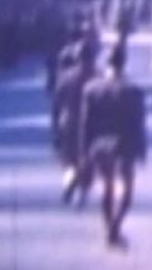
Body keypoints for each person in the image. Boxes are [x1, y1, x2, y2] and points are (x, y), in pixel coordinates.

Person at [79, 38, 147, 248]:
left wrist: (84, 152)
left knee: (106, 187)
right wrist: (141, 149)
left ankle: (110, 227)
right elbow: (138, 123)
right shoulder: (134, 91)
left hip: (100, 146)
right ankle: (114, 227)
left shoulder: (92, 89)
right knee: (126, 193)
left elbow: (85, 123)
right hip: (124, 146)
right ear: (123, 63)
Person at [53, 46, 96, 207]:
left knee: (69, 160)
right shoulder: (97, 76)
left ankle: (69, 183)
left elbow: (56, 104)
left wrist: (56, 127)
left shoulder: (65, 78)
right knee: (88, 162)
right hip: (92, 125)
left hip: (69, 122)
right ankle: (81, 192)